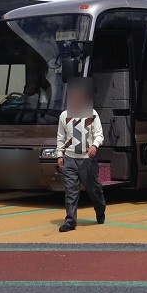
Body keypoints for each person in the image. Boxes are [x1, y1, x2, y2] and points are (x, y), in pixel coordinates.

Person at [55, 86, 106, 232]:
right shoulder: (64, 116)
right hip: (70, 158)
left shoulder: (92, 114)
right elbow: (61, 137)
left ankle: (100, 208)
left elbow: (99, 134)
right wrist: (60, 154)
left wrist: (94, 146)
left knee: (94, 189)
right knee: (71, 190)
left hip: (87, 159)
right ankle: (70, 220)